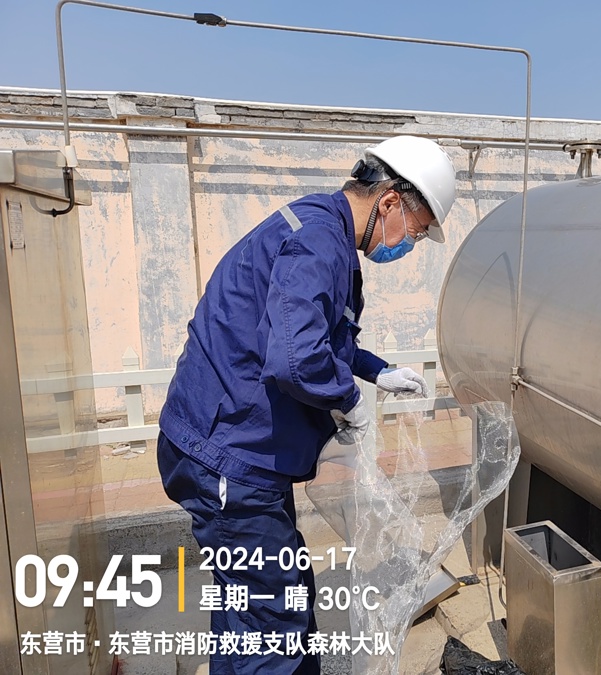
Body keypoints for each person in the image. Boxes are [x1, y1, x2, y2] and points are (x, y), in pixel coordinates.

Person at [156, 135, 456, 674]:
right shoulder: (319, 242)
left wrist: (376, 370)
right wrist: (349, 401)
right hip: (228, 457)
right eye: (414, 230)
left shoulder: (321, 229)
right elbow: (296, 358)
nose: (408, 244)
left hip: (236, 450)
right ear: (390, 201)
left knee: (263, 596)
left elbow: (320, 333)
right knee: (272, 621)